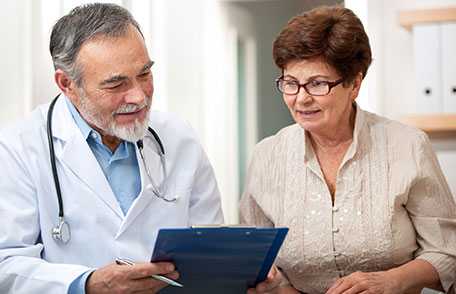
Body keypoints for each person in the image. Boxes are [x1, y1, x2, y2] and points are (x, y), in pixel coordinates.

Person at [0, 3, 223, 294]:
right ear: (67, 84)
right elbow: (6, 263)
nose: (139, 96)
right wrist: (87, 284)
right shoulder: (19, 148)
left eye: (144, 74)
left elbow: (213, 245)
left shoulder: (179, 138)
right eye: (116, 84)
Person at [241, 5, 456, 294]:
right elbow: (257, 265)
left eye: (317, 84)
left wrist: (391, 281)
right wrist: (274, 285)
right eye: (291, 83)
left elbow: (447, 253)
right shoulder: (267, 157)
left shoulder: (408, 146)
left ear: (354, 83)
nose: (301, 99)